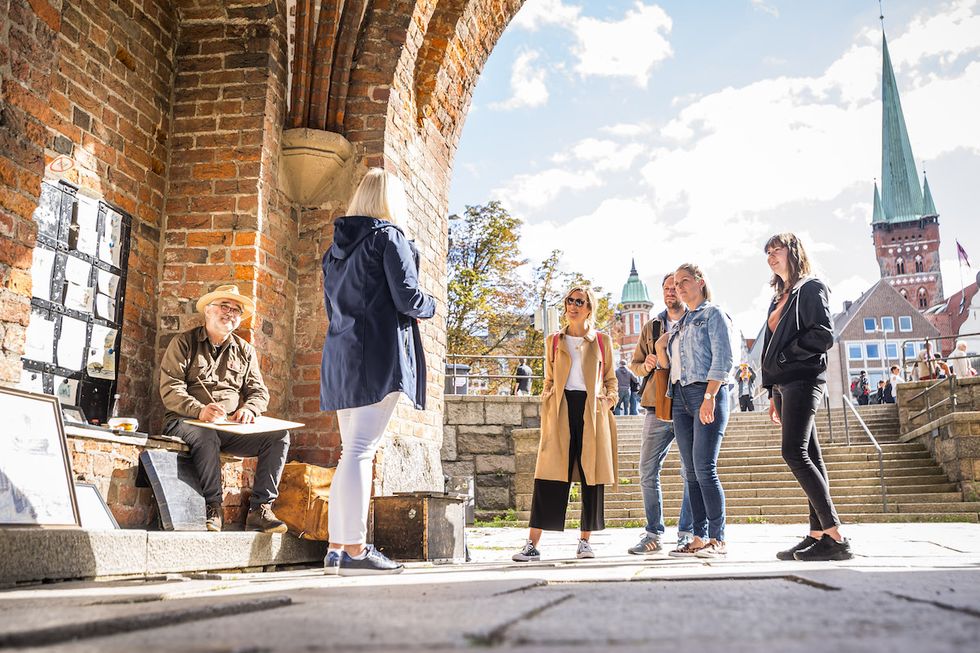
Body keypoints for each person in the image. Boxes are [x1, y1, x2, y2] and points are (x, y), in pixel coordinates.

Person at [320, 169, 436, 576]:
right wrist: (433, 304)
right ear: (392, 201)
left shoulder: (333, 251)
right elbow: (408, 298)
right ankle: (354, 549)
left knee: (348, 451)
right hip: (377, 354)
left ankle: (336, 546)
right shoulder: (390, 236)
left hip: (341, 354)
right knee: (359, 451)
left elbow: (330, 310)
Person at [159, 285, 290, 534]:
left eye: (236, 310)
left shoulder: (244, 350)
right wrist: (199, 410)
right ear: (208, 311)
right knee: (206, 433)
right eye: (224, 307)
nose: (230, 313)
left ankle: (260, 509)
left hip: (226, 427)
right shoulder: (184, 343)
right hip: (185, 423)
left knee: (279, 436)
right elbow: (170, 388)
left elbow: (259, 392)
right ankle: (213, 507)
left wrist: (250, 409)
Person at [761, 233, 852, 561]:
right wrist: (772, 390)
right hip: (784, 386)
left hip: (803, 378)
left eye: (777, 250)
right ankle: (817, 534)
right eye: (767, 252)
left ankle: (836, 536)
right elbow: (771, 345)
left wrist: (787, 359)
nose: (771, 256)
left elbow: (823, 334)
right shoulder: (779, 296)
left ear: (794, 252)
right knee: (811, 454)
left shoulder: (810, 287)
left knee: (793, 452)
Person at [513, 285, 618, 562]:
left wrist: (608, 401)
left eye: (579, 301)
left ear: (589, 307)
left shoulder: (602, 341)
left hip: (591, 410)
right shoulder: (554, 341)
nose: (573, 306)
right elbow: (548, 378)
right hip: (560, 409)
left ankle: (585, 541)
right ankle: (532, 543)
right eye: (569, 301)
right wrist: (547, 398)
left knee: (590, 475)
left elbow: (610, 379)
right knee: (548, 474)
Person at [656, 263, 734, 559]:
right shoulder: (682, 322)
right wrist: (663, 345)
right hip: (679, 398)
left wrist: (710, 396)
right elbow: (668, 366)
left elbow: (723, 359)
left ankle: (718, 537)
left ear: (700, 282)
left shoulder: (712, 314)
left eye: (684, 281)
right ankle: (698, 537)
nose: (679, 287)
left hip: (706, 392)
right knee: (690, 472)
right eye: (675, 284)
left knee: (705, 468)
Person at [626, 273, 695, 556]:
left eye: (675, 287)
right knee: (646, 470)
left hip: (688, 404)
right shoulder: (652, 326)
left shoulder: (696, 321)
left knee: (691, 471)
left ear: (684, 290)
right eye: (666, 288)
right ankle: (653, 533)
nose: (671, 292)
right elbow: (635, 365)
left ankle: (687, 533)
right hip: (658, 407)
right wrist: (648, 364)